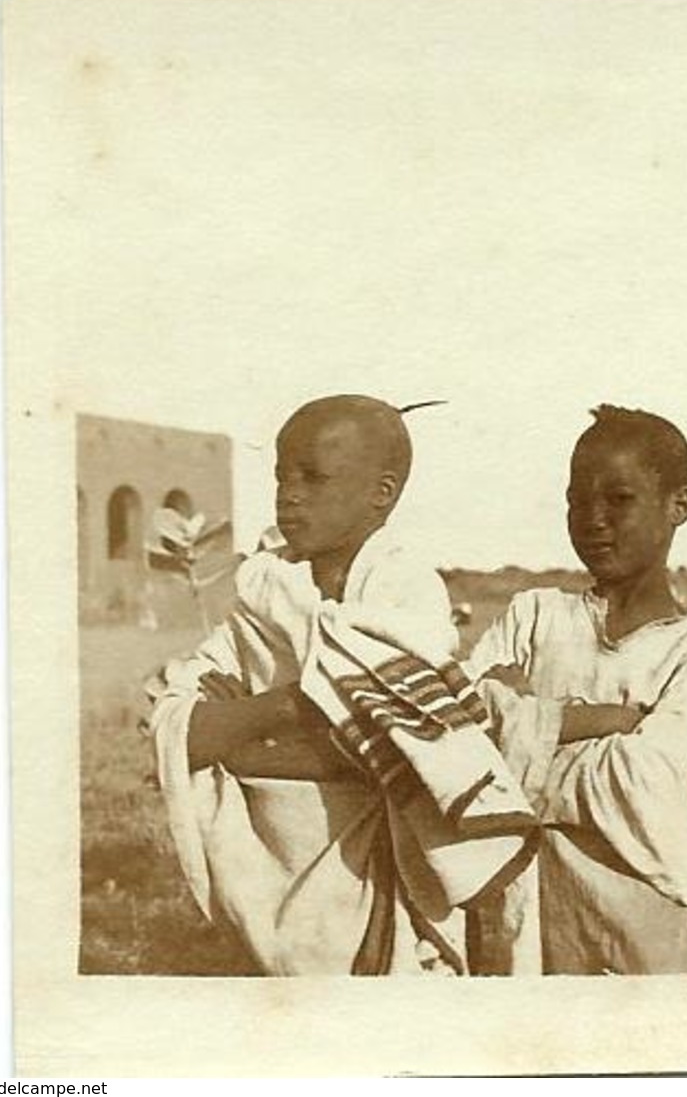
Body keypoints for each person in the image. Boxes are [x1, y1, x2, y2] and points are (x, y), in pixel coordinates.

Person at [144, 395, 536, 975]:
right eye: (282, 476)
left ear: (381, 493)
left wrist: (249, 742)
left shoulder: (405, 595)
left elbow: (397, 749)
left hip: (377, 881)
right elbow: (184, 729)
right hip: (269, 868)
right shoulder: (263, 590)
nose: (289, 494)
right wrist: (295, 703)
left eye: (314, 477)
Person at [461, 405, 687, 974]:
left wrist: (526, 725)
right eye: (577, 502)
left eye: (619, 499)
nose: (594, 519)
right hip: (530, 918)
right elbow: (459, 740)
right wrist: (603, 721)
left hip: (651, 903)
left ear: (678, 505)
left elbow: (646, 778)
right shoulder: (533, 615)